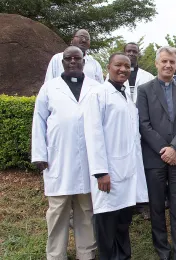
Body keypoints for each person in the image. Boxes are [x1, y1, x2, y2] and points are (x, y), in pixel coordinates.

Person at [32, 46, 98, 260]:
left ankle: (86, 252)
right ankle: (55, 254)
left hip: (89, 161)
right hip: (58, 159)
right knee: (57, 211)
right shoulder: (50, 88)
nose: (72, 61)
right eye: (68, 58)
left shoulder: (95, 88)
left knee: (86, 210)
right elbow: (39, 122)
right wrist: (40, 154)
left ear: (83, 62)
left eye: (76, 58)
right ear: (62, 62)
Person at [83, 53, 148, 259]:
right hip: (108, 173)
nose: (123, 69)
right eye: (118, 65)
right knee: (106, 221)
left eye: (127, 66)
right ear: (108, 67)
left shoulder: (126, 96)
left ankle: (124, 256)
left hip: (127, 171)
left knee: (123, 221)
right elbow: (93, 134)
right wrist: (101, 172)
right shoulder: (98, 94)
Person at [137, 46, 176, 260]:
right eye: (164, 61)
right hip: (154, 158)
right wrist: (164, 150)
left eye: (172, 61)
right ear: (156, 64)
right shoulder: (144, 90)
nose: (169, 65)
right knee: (157, 208)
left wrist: (174, 149)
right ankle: (162, 250)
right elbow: (143, 124)